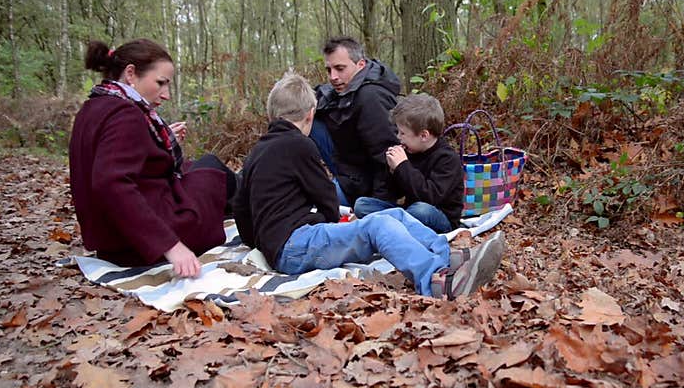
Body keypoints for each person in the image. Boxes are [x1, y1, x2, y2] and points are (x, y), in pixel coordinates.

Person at [233, 72, 504, 300]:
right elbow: (325, 195)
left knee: (393, 215)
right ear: (310, 114)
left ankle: (448, 256)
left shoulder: (257, 152)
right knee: (378, 226)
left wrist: (259, 243)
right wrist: (328, 222)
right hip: (295, 247)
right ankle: (437, 282)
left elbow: (241, 209)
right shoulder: (299, 144)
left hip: (288, 244)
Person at [69, 38, 238, 278]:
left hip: (113, 241)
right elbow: (111, 183)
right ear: (131, 74)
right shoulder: (125, 114)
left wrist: (161, 138)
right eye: (160, 83)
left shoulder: (94, 106)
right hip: (137, 245)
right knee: (212, 176)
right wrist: (171, 246)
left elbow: (119, 161)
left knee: (201, 169)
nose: (166, 94)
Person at [353, 93, 463, 233]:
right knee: (362, 205)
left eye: (403, 133)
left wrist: (402, 167)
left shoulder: (447, 159)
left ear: (424, 135)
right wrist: (392, 171)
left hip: (438, 217)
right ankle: (393, 225)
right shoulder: (411, 152)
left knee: (420, 210)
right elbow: (391, 195)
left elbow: (429, 197)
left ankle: (388, 225)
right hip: (407, 213)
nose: (398, 138)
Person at [312, 36, 401, 207]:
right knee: (308, 118)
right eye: (329, 70)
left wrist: (376, 207)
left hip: (366, 185)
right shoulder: (342, 88)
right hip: (348, 165)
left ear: (360, 65)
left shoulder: (371, 98)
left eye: (340, 68)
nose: (333, 77)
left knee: (317, 203)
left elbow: (387, 156)